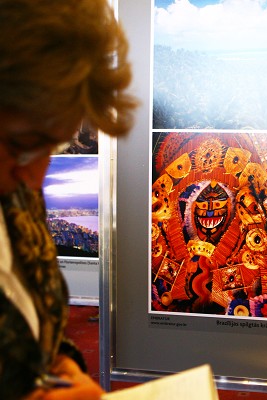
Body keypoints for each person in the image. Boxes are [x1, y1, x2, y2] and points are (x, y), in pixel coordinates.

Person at [0, 0, 137, 399]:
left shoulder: (18, 192)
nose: (36, 176)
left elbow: (33, 323)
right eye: (23, 145)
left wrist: (62, 368)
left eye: (52, 147)